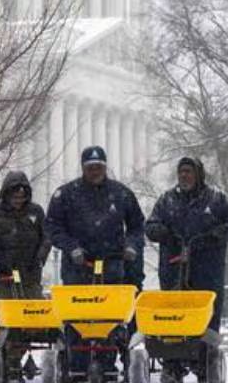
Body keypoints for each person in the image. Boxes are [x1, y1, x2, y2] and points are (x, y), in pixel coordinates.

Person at [45, 146, 145, 374]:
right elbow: (52, 227)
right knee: (77, 316)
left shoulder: (121, 194)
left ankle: (109, 360)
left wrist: (131, 246)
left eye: (99, 166)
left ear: (105, 166)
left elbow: (138, 226)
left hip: (112, 264)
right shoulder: (66, 195)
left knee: (109, 316)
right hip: (77, 267)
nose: (95, 171)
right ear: (83, 168)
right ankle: (75, 364)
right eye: (90, 167)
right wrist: (71, 248)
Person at [145, 157, 228, 341]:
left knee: (206, 310)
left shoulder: (216, 199)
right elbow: (150, 226)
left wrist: (222, 232)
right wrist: (161, 232)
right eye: (181, 172)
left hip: (207, 269)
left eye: (188, 171)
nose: (184, 176)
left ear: (198, 175)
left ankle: (206, 349)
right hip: (173, 269)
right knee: (174, 310)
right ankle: (172, 355)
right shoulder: (167, 200)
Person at [0, 171, 50, 375]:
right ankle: (8, 360)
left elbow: (46, 238)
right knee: (11, 317)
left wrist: (40, 258)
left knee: (32, 316)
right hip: (3, 275)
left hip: (30, 274)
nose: (19, 199)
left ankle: (20, 354)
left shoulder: (36, 212)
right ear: (6, 193)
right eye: (15, 194)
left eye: (23, 195)